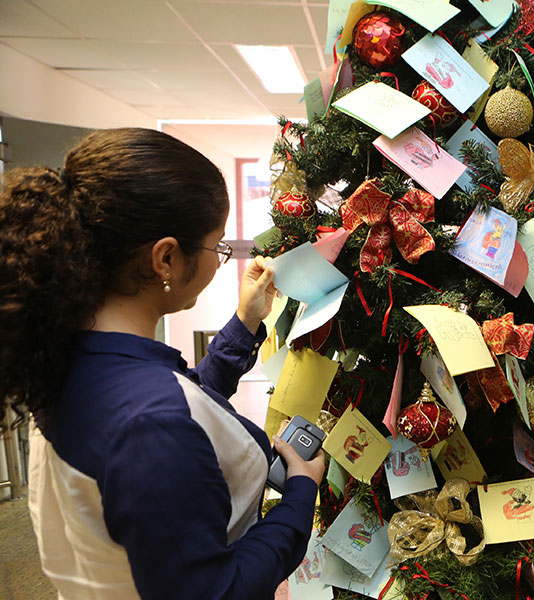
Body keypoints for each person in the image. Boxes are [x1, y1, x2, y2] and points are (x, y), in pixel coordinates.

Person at [0, 128, 324, 599]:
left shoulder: (77, 357)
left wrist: (245, 321)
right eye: (217, 247)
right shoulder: (152, 424)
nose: (219, 262)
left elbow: (186, 395)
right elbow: (218, 591)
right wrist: (299, 493)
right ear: (166, 258)